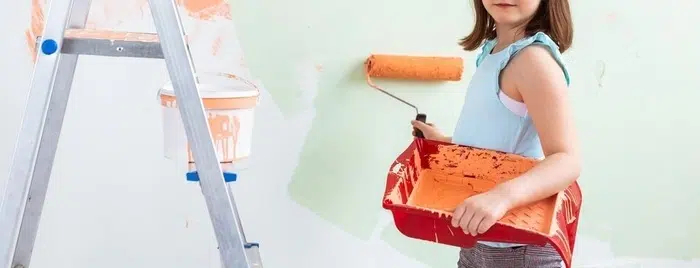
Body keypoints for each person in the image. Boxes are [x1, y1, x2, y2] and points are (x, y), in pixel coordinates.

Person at [410, 0, 579, 267]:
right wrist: (446, 144)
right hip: (482, 233)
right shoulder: (494, 52)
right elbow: (502, 141)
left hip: (518, 246)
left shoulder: (533, 61)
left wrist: (502, 197)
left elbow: (567, 160)